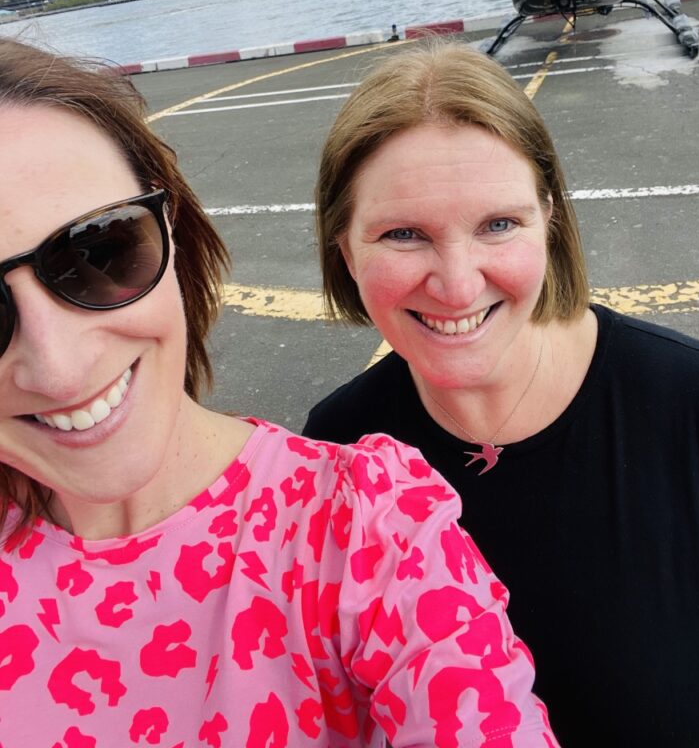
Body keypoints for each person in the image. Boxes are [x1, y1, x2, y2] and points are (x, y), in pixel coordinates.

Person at [0, 37, 560, 747]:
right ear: (344, 249)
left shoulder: (366, 532)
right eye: (405, 235)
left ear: (173, 231)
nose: (56, 367)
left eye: (99, 250)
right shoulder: (345, 427)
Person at [304, 40, 699, 747]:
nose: (457, 284)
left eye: (498, 224)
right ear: (345, 250)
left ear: (549, 221)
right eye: (403, 234)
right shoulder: (338, 451)